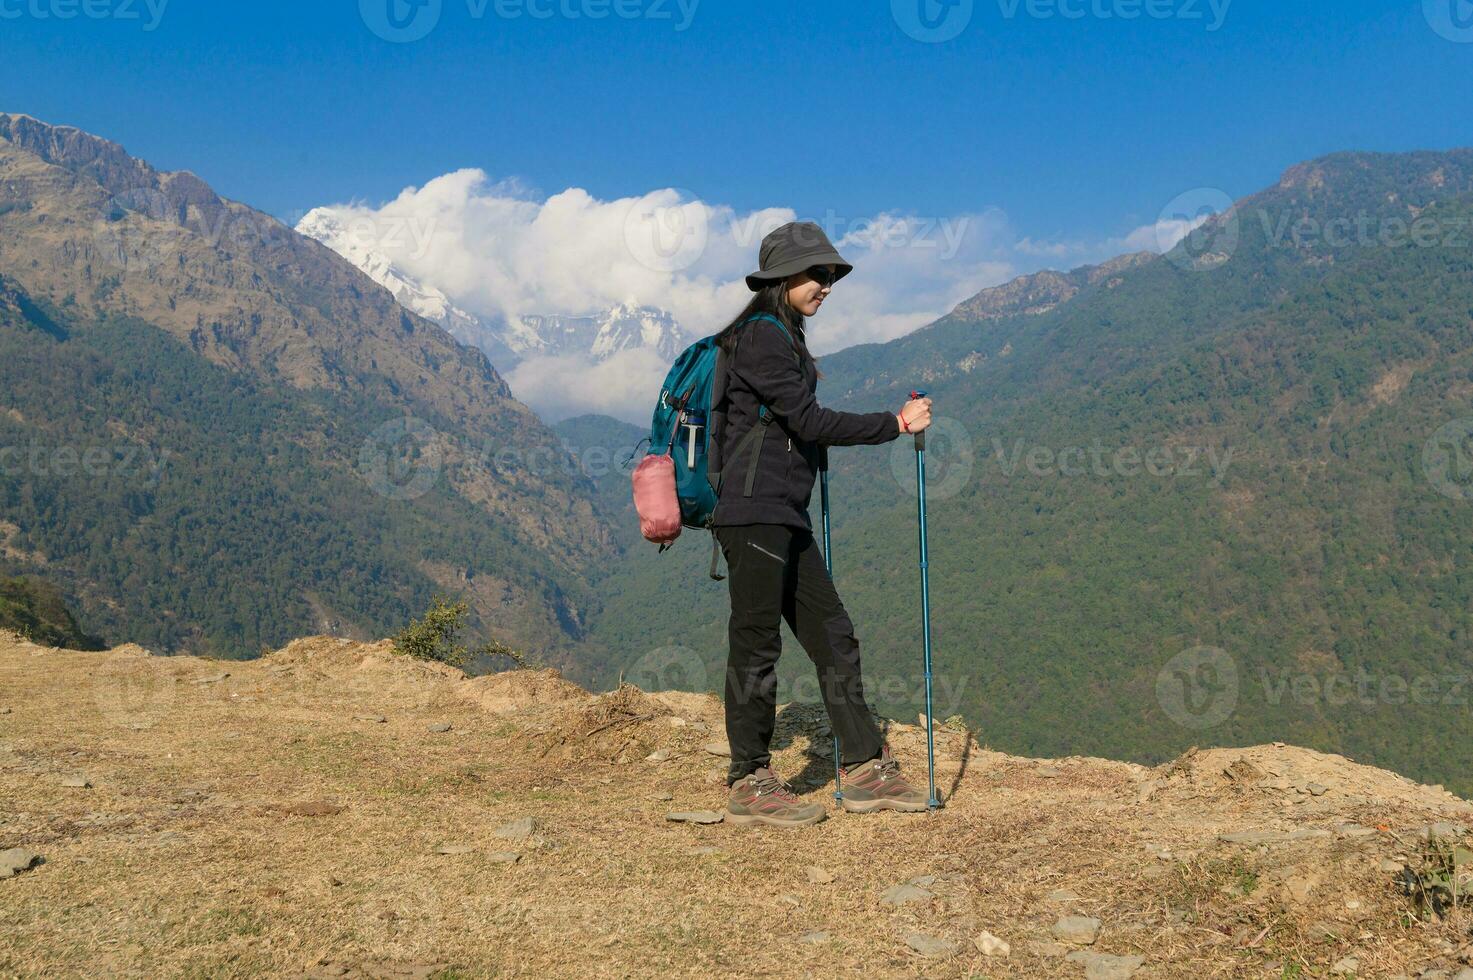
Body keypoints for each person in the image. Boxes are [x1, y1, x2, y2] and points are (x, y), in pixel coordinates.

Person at [710, 220, 934, 828]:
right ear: (782, 278)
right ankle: (750, 778)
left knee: (833, 633)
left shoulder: (781, 335)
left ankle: (864, 767)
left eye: (831, 274)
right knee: (755, 643)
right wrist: (894, 424)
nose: (827, 284)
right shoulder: (758, 339)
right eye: (817, 273)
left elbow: (792, 426)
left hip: (783, 513)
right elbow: (807, 422)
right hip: (754, 513)